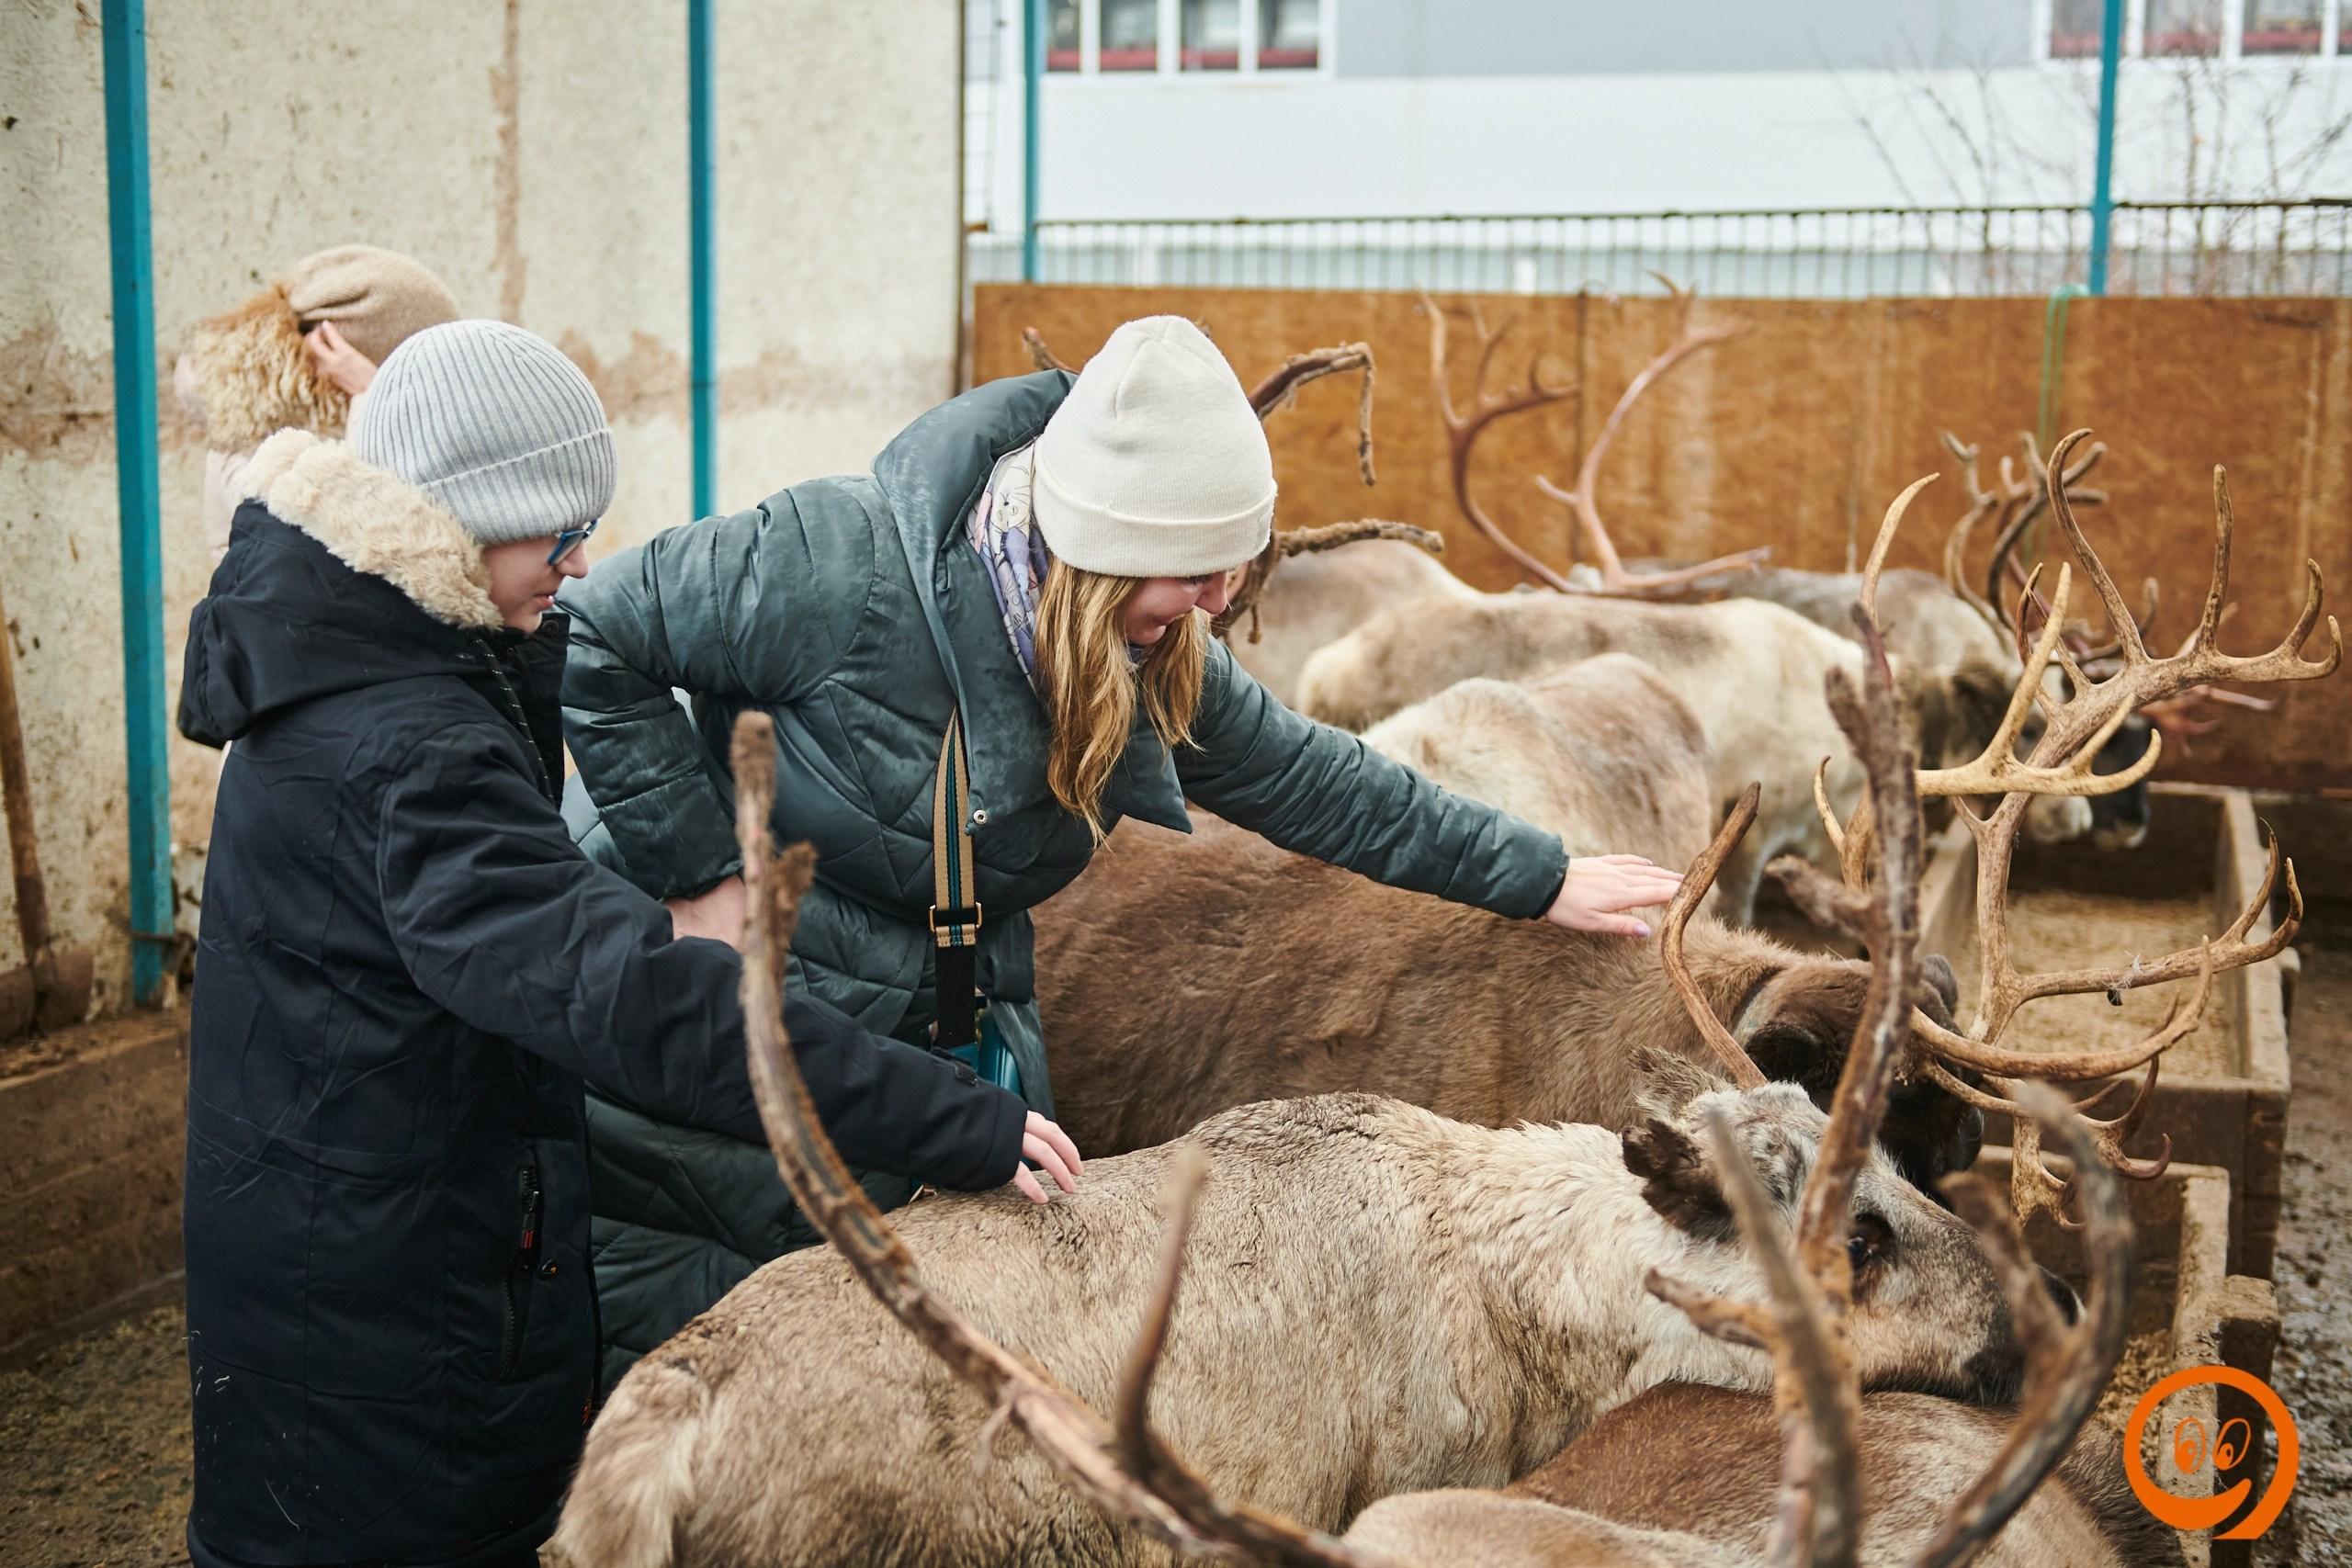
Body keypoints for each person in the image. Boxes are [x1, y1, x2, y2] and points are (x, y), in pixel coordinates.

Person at [560, 315, 1681, 1368]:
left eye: (1231, 565)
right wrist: (696, 872)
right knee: (704, 1354)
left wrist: (1540, 876)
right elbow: (596, 629)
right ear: (1096, 547)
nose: (1216, 599)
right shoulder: (838, 562)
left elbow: (1314, 779)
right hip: (721, 1020)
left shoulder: (1145, 656)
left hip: (936, 1030)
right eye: (1193, 570)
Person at [176, 320, 1080, 1568]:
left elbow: (518, 651)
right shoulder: (410, 750)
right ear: (461, 521)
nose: (582, 559)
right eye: (556, 534)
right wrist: (947, 1115)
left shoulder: (363, 649)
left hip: (359, 1261)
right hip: (389, 1340)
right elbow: (633, 997)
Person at [174, 244, 461, 565]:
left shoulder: (309, 421)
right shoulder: (267, 447)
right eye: (420, 359)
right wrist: (373, 399)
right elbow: (360, 550)